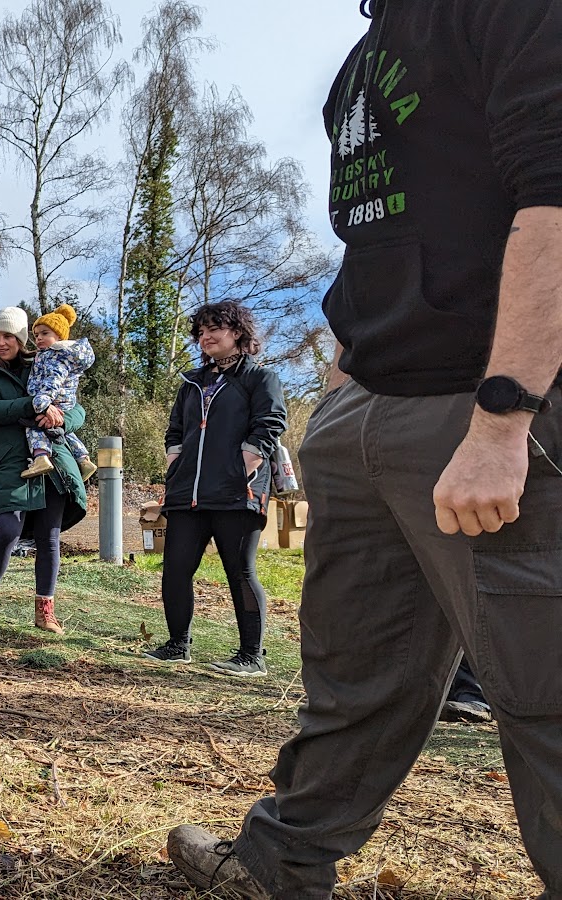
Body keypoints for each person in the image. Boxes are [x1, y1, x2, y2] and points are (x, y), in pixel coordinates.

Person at [167, 1, 562, 896]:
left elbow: (556, 196)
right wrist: (348, 374)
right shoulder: (368, 53)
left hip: (488, 411)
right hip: (369, 409)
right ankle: (278, 866)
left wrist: (505, 417)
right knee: (356, 679)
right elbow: (380, 236)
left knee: (546, 693)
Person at [142, 301, 287, 677]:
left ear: (237, 332)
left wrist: (244, 464)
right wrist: (176, 462)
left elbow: (270, 423)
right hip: (186, 494)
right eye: (201, 332)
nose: (205, 337)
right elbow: (175, 430)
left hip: (238, 495)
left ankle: (251, 657)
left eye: (214, 329)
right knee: (174, 569)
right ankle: (177, 646)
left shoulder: (260, 379)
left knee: (240, 571)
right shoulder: (192, 383)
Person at [0, 307, 89, 633]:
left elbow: (77, 409)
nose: (1, 342)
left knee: (49, 537)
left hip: (52, 460)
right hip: (7, 463)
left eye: (9, 336)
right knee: (7, 530)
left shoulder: (44, 361)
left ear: (21, 338)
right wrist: (35, 406)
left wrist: (60, 419)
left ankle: (45, 611)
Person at [17, 304, 98, 484]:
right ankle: (84, 459)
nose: (38, 338)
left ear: (59, 335)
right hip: (63, 401)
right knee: (63, 432)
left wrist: (43, 401)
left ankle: (40, 458)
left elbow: (54, 378)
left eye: (45, 333)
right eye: (36, 335)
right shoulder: (57, 354)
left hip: (52, 398)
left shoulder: (55, 355)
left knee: (36, 426)